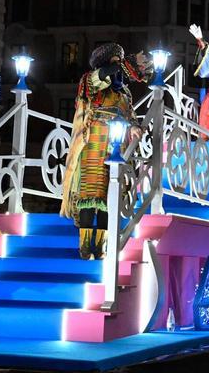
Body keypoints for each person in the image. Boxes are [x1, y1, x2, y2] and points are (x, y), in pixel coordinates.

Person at [60, 43, 152, 260]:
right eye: (114, 60)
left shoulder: (124, 92)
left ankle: (100, 247)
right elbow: (101, 76)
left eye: (119, 60)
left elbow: (130, 116)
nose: (118, 65)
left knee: (109, 196)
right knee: (89, 194)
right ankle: (85, 247)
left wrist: (134, 127)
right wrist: (125, 63)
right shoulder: (89, 81)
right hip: (93, 141)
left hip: (116, 145)